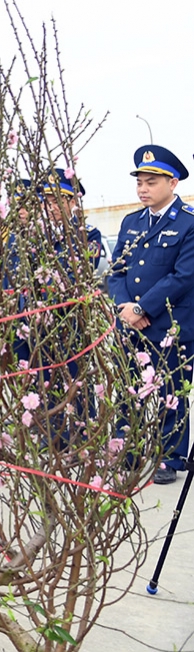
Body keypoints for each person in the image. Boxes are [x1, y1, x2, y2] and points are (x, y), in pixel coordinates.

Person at [107, 145, 194, 485]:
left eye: (151, 182)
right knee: (129, 392)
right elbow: (116, 271)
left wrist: (142, 308)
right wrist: (126, 307)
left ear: (172, 183)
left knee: (170, 394)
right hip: (131, 326)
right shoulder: (132, 222)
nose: (143, 189)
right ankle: (126, 451)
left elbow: (183, 276)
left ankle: (169, 457)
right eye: (140, 182)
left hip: (172, 325)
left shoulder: (188, 223)